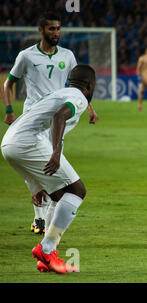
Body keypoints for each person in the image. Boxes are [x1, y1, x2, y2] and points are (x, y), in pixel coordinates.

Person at [3, 11, 98, 235]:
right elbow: (9, 84)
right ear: (41, 30)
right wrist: (9, 110)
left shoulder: (67, 55)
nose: (56, 33)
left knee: (50, 170)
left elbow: (78, 85)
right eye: (51, 29)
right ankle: (40, 221)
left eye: (58, 28)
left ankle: (47, 224)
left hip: (59, 115)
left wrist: (90, 108)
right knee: (56, 172)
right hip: (35, 117)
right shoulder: (26, 56)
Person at [1, 64, 96, 273]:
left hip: (9, 143)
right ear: (90, 85)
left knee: (59, 195)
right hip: (27, 143)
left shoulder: (59, 92)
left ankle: (46, 258)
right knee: (77, 191)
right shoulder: (78, 97)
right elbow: (59, 117)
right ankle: (46, 249)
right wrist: (56, 152)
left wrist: (36, 184)